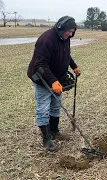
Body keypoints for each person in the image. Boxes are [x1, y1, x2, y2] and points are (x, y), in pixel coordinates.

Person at [27, 16, 81, 151]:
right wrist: (53, 82)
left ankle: (54, 131)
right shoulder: (46, 40)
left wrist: (74, 66)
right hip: (42, 78)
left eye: (72, 32)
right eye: (68, 31)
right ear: (60, 27)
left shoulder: (65, 38)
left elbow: (66, 54)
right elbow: (40, 64)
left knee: (56, 105)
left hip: (57, 78)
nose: (70, 34)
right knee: (43, 108)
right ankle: (46, 140)